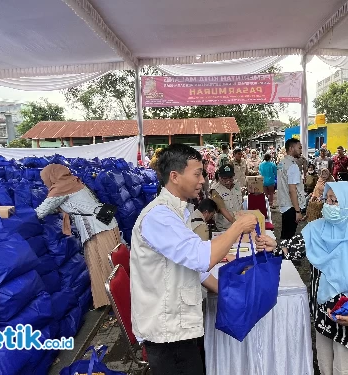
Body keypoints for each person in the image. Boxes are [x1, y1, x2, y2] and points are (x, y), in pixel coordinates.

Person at [130, 144, 257, 375]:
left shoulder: (178, 212)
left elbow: (192, 265)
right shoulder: (159, 216)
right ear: (175, 176)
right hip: (168, 331)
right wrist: (237, 226)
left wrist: (224, 290)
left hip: (179, 325)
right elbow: (201, 259)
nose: (202, 180)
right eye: (197, 174)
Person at [257, 182, 348, 375]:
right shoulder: (318, 229)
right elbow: (297, 246)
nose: (329, 205)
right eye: (328, 199)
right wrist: (276, 246)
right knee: (325, 368)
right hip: (325, 317)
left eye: (335, 201)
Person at [36, 164, 120, 309]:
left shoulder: (60, 189)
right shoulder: (74, 182)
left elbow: (40, 212)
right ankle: (109, 301)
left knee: (103, 266)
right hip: (105, 223)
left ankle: (114, 303)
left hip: (97, 229)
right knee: (104, 264)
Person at [277, 138, 305, 239]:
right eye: (299, 148)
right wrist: (298, 211)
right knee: (288, 236)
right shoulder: (292, 166)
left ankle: (283, 253)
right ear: (291, 148)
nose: (301, 150)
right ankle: (285, 254)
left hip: (284, 204)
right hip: (291, 206)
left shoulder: (282, 163)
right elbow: (292, 190)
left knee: (285, 235)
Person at [209, 164, 244, 232]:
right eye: (225, 178)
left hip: (238, 225)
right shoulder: (216, 190)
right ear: (219, 177)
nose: (228, 181)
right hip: (225, 228)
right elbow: (222, 209)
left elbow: (240, 204)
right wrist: (236, 223)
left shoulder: (237, 185)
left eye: (230, 178)